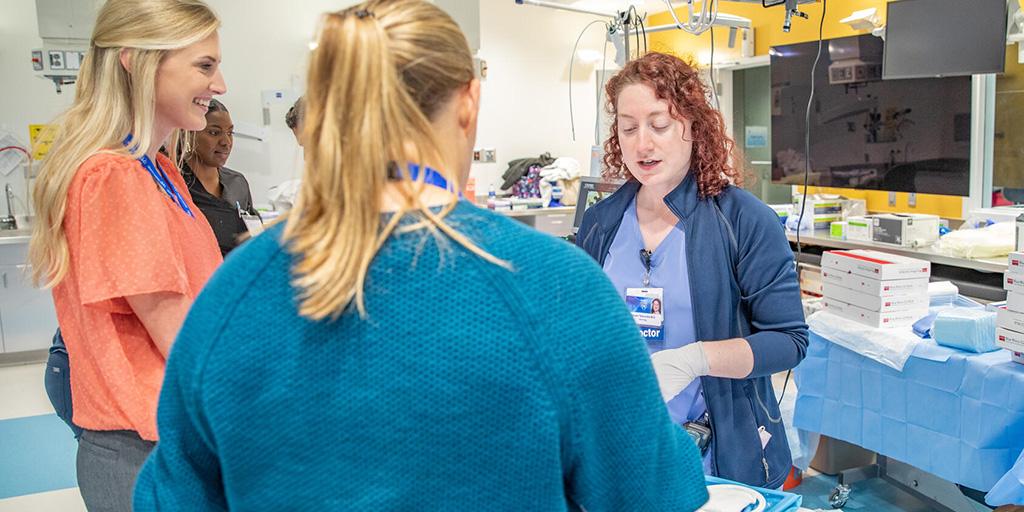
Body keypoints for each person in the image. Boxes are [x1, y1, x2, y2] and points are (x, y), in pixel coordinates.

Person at [133, 2, 709, 510]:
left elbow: (171, 495)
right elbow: (653, 492)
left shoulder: (236, 293)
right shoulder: (553, 289)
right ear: (468, 102)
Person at [576, 52, 808, 489]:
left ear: (693, 124)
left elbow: (789, 341)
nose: (642, 144)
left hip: (719, 455)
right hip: (623, 448)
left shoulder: (742, 221)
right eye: (628, 127)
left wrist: (694, 360)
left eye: (659, 125)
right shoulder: (602, 222)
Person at [28, 0, 225, 509]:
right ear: (136, 60)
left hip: (170, 440)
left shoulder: (159, 171)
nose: (220, 86)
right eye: (204, 66)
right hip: (142, 448)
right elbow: (181, 338)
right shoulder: (114, 177)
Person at [180, 98, 257, 255]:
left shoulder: (237, 183)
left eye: (230, 133)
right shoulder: (174, 184)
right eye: (214, 133)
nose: (226, 142)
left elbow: (253, 235)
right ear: (188, 134)